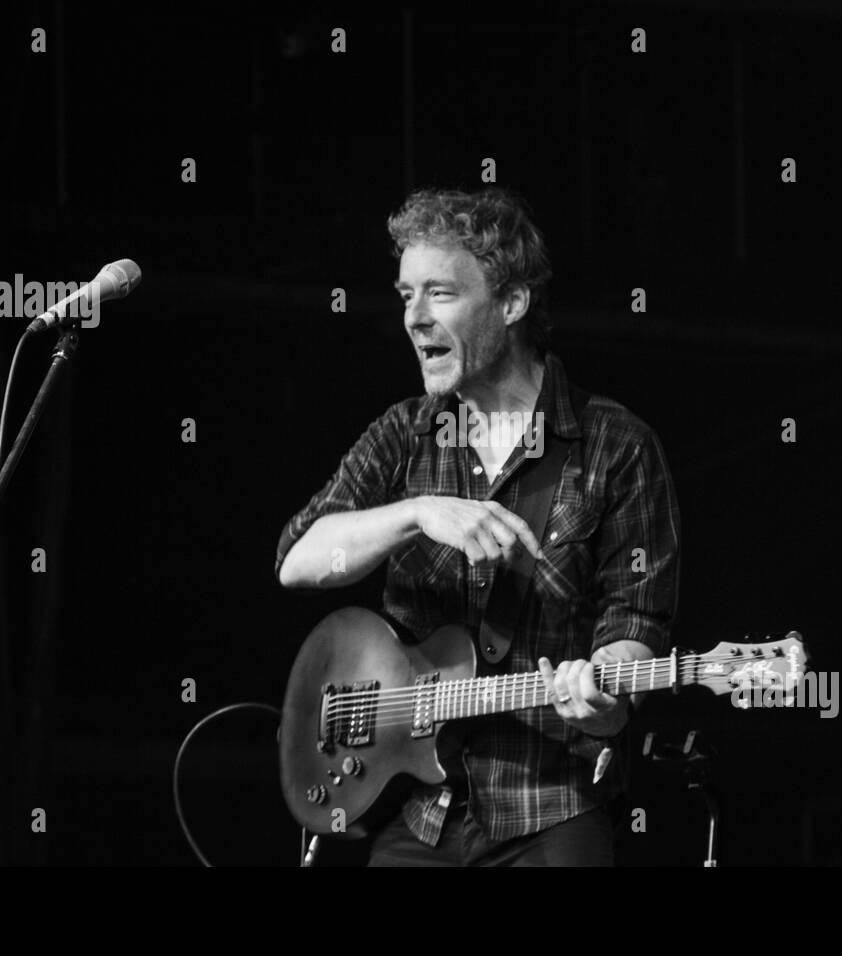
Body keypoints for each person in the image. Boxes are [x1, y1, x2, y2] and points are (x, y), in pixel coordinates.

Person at [275, 186, 681, 866]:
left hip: (550, 803)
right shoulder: (405, 434)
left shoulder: (617, 446)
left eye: (440, 293)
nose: (413, 317)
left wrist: (603, 699)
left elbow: (635, 627)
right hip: (417, 813)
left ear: (513, 302)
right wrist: (417, 513)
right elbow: (299, 560)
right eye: (406, 294)